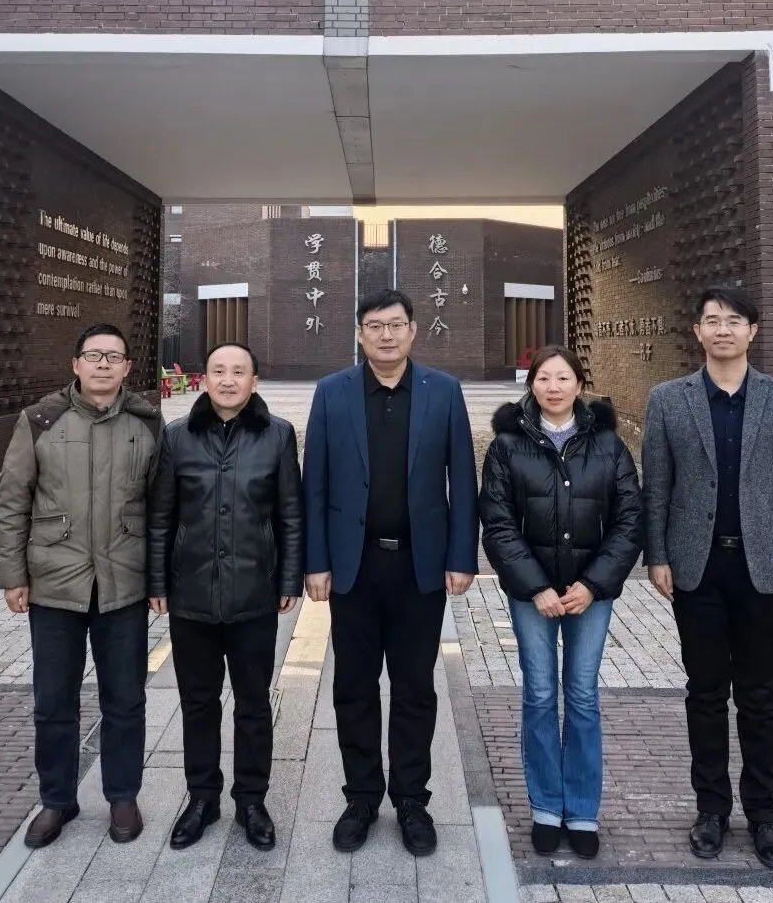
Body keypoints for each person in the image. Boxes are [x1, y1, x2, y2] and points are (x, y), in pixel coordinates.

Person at [642, 287, 773, 870]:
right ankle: (711, 811)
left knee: (759, 696)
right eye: (712, 320)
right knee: (704, 693)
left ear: (753, 331)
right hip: (696, 568)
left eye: (733, 321)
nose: (722, 330)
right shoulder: (668, 400)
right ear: (696, 331)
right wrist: (657, 555)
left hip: (763, 568)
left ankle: (765, 815)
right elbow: (657, 487)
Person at [303, 289, 479, 857]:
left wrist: (461, 556)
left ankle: (411, 800)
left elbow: (463, 480)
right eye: (375, 325)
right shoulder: (332, 393)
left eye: (396, 324)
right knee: (353, 687)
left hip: (418, 567)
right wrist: (316, 561)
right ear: (360, 333)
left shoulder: (442, 391)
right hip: (353, 568)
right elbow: (315, 483)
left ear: (413, 330)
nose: (386, 334)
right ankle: (360, 798)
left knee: (414, 689)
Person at [0, 323, 162, 848]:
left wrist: (160, 579)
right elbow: (13, 501)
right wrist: (13, 575)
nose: (103, 364)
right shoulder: (40, 420)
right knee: (53, 700)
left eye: (114, 357)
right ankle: (56, 800)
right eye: (94, 355)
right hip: (54, 583)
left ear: (128, 367)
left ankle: (123, 796)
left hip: (124, 582)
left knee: (125, 698)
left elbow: (162, 508)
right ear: (75, 364)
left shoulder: (147, 423)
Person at [479, 345, 643, 858]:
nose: (554, 387)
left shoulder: (609, 445)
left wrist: (593, 584)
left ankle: (583, 810)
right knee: (539, 695)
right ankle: (546, 806)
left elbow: (630, 520)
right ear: (532, 385)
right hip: (534, 595)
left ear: (579, 384)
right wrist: (536, 587)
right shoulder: (507, 446)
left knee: (583, 696)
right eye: (544, 378)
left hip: (590, 595)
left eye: (563, 378)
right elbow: (498, 523)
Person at [147, 343, 302, 852]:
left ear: (253, 381)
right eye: (219, 371)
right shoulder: (177, 436)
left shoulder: (277, 434)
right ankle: (202, 798)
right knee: (198, 703)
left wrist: (288, 580)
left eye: (239, 372)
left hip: (254, 593)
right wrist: (157, 582)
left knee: (253, 704)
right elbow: (161, 517)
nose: (228, 380)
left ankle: (252, 800)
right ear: (206, 379)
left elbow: (290, 515)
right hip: (190, 594)